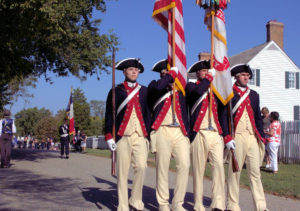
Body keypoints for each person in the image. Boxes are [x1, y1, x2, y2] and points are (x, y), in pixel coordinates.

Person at [104, 58, 151, 211]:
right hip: (122, 135)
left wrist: (148, 135)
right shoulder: (115, 90)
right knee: (122, 172)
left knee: (142, 167)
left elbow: (147, 113)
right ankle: (123, 205)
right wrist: (108, 135)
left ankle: (135, 200)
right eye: (131, 69)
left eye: (136, 70)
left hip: (140, 135)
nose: (134, 72)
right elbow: (109, 115)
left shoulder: (144, 91)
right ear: (124, 72)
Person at [186, 60, 229, 211]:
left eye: (207, 71)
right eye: (203, 71)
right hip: (200, 132)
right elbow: (198, 92)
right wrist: (209, 79)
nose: (206, 73)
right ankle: (198, 203)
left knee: (218, 167)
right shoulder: (191, 87)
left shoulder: (216, 91)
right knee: (198, 170)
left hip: (216, 133)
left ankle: (218, 203)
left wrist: (227, 135)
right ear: (198, 73)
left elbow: (223, 114)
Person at [148, 59, 190, 211]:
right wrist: (169, 75)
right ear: (162, 74)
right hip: (162, 129)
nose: (169, 76)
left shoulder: (182, 89)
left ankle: (178, 203)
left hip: (180, 131)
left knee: (184, 165)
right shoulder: (155, 85)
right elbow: (158, 87)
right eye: (165, 74)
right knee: (162, 168)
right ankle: (163, 203)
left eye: (170, 73)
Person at [226, 64, 268, 211]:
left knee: (255, 173)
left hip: (252, 137)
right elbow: (224, 117)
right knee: (234, 172)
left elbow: (257, 118)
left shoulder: (254, 95)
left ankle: (261, 206)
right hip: (236, 136)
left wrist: (261, 136)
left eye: (248, 75)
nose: (246, 77)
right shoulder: (229, 93)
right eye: (243, 75)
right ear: (236, 77)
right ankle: (232, 205)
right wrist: (227, 137)